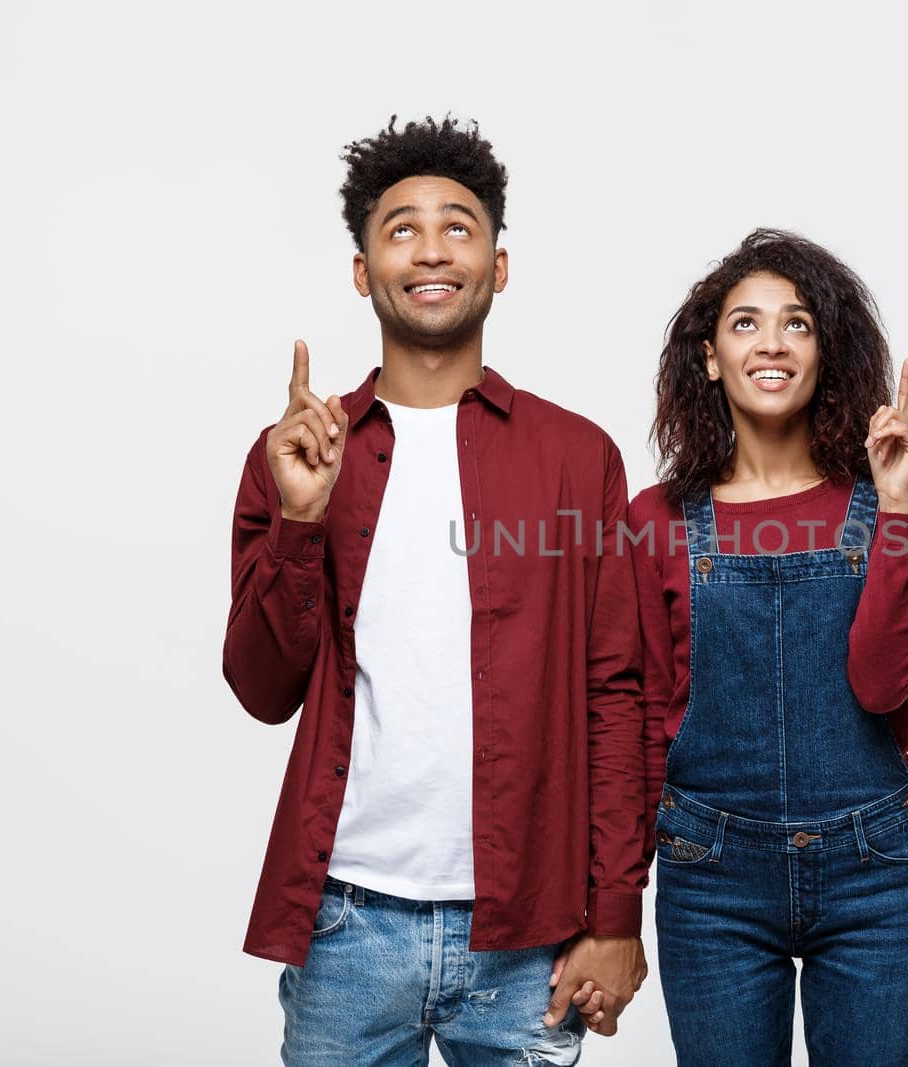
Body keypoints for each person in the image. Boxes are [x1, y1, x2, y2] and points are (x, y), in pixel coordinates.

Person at [222, 115, 647, 1066]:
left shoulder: (578, 458)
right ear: (364, 269)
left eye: (458, 226)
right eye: (400, 228)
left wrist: (616, 911)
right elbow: (260, 688)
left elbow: (616, 692)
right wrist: (298, 520)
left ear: (498, 265)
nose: (431, 249)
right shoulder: (298, 451)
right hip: (345, 925)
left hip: (529, 930)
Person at [630, 229, 908, 1065]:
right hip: (711, 873)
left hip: (875, 867)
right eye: (745, 323)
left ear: (824, 352)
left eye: (797, 323)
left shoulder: (893, 500)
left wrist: (900, 507)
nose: (771, 342)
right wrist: (610, 907)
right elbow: (638, 722)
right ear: (708, 357)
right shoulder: (654, 520)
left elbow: (881, 683)